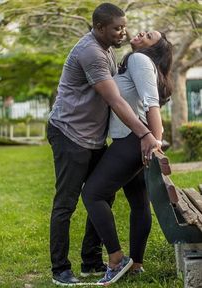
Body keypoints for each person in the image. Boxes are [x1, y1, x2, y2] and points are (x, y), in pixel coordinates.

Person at [47, 3, 159, 285]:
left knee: (101, 195)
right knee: (66, 203)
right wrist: (145, 134)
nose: (124, 32)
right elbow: (115, 100)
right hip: (69, 133)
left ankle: (90, 261)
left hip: (93, 137)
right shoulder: (92, 53)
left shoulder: (108, 49)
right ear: (99, 28)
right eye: (117, 28)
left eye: (124, 26)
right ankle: (60, 270)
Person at [81, 30, 173, 285]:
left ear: (154, 48)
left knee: (93, 194)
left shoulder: (139, 60)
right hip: (136, 140)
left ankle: (116, 259)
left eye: (150, 36)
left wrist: (154, 140)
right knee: (138, 202)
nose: (142, 33)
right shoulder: (136, 62)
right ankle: (136, 264)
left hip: (133, 140)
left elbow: (151, 102)